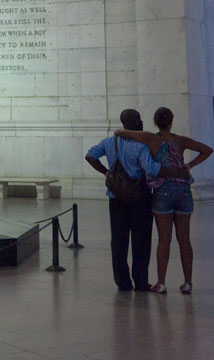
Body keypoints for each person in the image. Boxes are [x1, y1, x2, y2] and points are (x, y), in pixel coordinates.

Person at [85, 109, 190, 292]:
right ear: (133, 123)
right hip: (140, 198)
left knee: (118, 241)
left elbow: (90, 156)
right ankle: (141, 282)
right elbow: (151, 169)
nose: (141, 122)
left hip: (116, 198)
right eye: (138, 120)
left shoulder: (110, 142)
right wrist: (176, 172)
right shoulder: (141, 146)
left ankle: (123, 283)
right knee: (141, 241)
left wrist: (106, 172)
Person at [115, 107, 212, 294]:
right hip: (183, 190)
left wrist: (124, 130)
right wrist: (189, 165)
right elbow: (207, 150)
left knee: (164, 240)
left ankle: (161, 283)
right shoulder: (181, 141)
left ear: (156, 122)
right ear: (172, 121)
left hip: (162, 192)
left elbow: (121, 132)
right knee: (184, 240)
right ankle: (188, 283)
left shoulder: (150, 138)